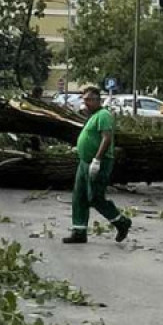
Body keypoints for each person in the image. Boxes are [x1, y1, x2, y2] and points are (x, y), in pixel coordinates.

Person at [63, 85, 131, 244]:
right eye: (85, 99)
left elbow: (106, 138)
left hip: (98, 162)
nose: (86, 103)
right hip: (84, 162)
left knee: (95, 197)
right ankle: (79, 231)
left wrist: (97, 159)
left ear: (97, 100)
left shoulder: (103, 115)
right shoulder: (92, 116)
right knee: (79, 196)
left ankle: (121, 222)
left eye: (90, 100)